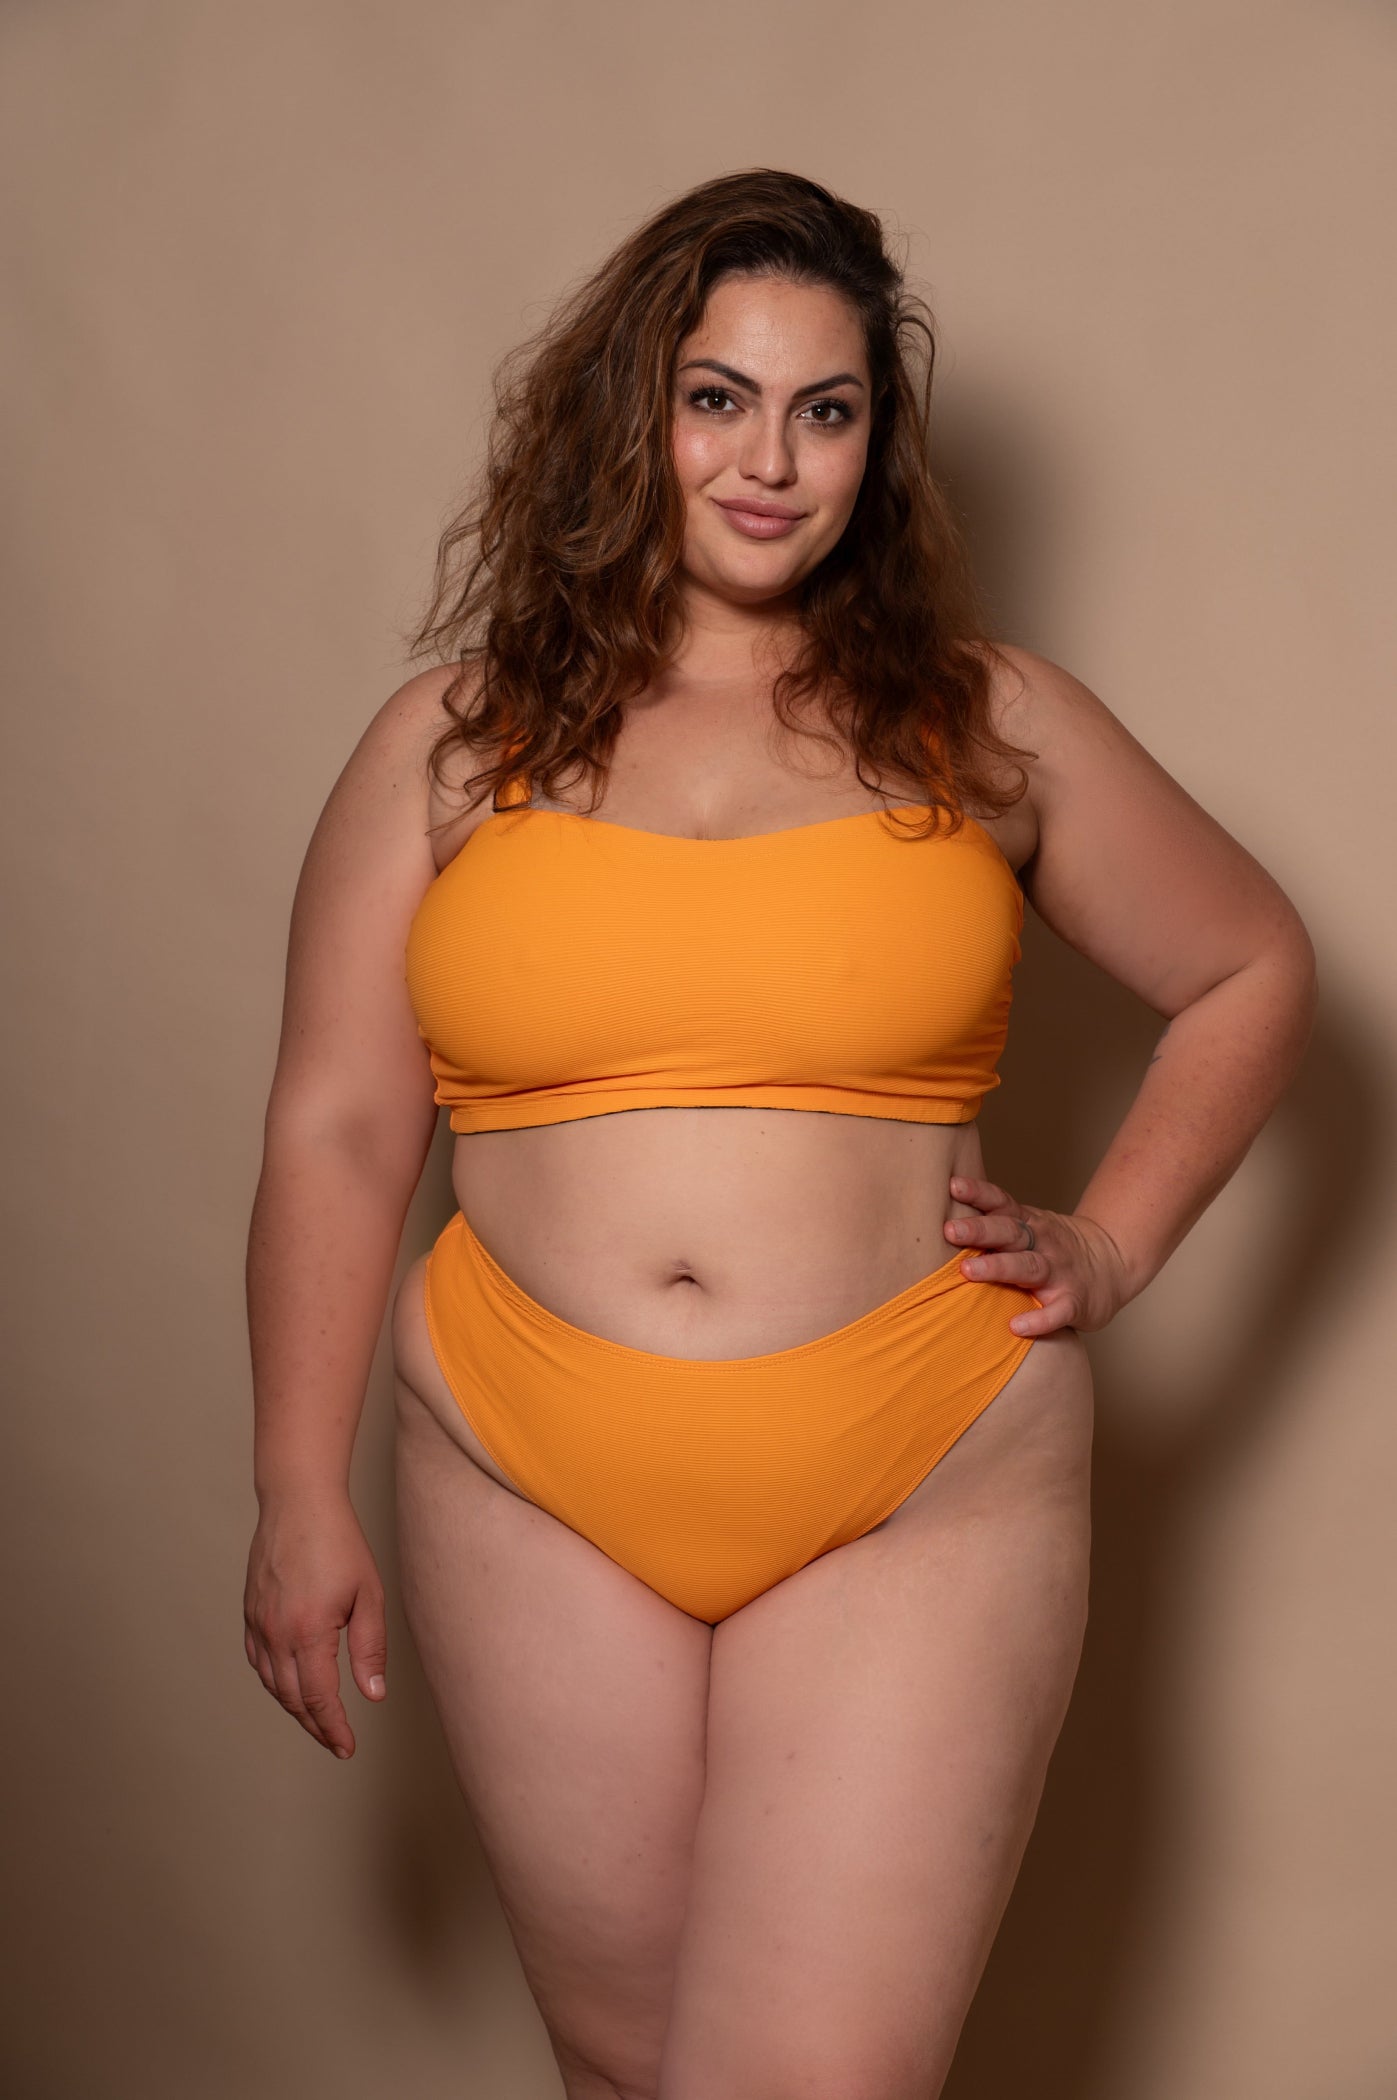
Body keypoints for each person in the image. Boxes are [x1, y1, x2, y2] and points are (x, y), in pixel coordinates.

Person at [243, 169, 1317, 2099]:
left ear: (874, 451)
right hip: (524, 1464)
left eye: (826, 410)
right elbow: (334, 1128)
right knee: (628, 2067)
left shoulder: (989, 722)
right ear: (625, 415)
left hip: (916, 1463)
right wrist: (295, 1490)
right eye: (716, 396)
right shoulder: (445, 743)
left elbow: (1246, 966)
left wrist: (1118, 1242)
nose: (770, 458)